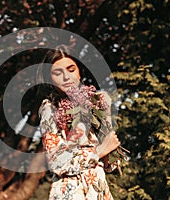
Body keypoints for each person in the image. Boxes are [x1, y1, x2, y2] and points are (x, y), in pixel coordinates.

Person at [36, 45, 120, 200]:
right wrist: (98, 152)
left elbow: (111, 164)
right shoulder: (50, 109)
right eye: (57, 73)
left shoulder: (95, 103)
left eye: (71, 69)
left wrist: (109, 153)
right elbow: (56, 162)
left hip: (98, 189)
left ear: (80, 72)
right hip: (71, 191)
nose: (66, 77)